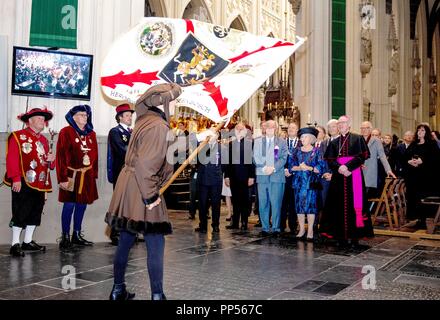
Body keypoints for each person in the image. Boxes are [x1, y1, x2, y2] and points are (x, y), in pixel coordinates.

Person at [106, 83, 216, 300]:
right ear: (163, 102)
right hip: (142, 186)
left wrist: (199, 137)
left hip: (129, 185)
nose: (176, 104)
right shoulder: (158, 126)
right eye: (174, 100)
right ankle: (157, 295)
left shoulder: (147, 121)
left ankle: (118, 290)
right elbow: (147, 164)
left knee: (126, 237)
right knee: (155, 240)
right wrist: (150, 197)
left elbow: (168, 146)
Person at [4, 108, 55, 257]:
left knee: (35, 212)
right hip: (23, 181)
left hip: (40, 182)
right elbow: (12, 158)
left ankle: (27, 241)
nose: (42, 121)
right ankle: (15, 243)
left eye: (43, 119)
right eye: (39, 118)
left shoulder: (44, 140)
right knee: (21, 211)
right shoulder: (17, 136)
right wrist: (15, 178)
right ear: (30, 120)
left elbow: (46, 163)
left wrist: (51, 161)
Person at [320, 116, 374, 248]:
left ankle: (354, 237)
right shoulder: (334, 142)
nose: (340, 125)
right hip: (338, 177)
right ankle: (340, 237)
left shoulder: (357, 138)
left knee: (353, 204)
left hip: (353, 174)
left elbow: (362, 156)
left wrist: (348, 167)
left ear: (349, 125)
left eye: (343, 123)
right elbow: (330, 159)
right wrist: (339, 168)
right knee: (337, 205)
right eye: (339, 123)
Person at [56, 105, 98, 250]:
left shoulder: (91, 134)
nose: (84, 117)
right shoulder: (66, 132)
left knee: (82, 205)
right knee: (69, 205)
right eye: (81, 115)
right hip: (71, 175)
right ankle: (65, 237)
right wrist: (62, 178)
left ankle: (77, 235)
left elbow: (95, 156)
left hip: (86, 177)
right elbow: (61, 156)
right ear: (73, 117)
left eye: (86, 115)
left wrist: (94, 175)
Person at [289, 127, 326, 241]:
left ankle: (310, 230)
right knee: (299, 207)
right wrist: (300, 168)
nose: (302, 139)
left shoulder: (317, 151)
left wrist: (309, 168)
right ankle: (301, 229)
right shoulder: (296, 151)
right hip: (298, 183)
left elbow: (320, 167)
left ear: (311, 138)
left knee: (311, 207)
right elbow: (291, 167)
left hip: (311, 184)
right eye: (301, 137)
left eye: (304, 137)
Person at [253, 120, 288, 236]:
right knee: (263, 203)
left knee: (276, 203)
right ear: (264, 128)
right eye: (267, 126)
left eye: (272, 127)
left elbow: (283, 158)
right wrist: (264, 168)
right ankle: (265, 227)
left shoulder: (282, 142)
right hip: (262, 177)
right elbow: (255, 157)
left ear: (276, 129)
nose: (269, 129)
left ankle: (276, 228)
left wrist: (273, 168)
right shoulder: (258, 142)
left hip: (276, 177)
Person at [107, 104, 134, 245]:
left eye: (131, 115)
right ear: (120, 117)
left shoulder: (132, 132)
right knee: (119, 202)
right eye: (127, 115)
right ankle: (115, 233)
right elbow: (121, 150)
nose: (130, 118)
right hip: (121, 172)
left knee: (130, 202)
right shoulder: (115, 132)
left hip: (132, 173)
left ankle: (129, 232)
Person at [404, 124, 440, 228]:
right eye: (418, 130)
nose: (420, 132)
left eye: (423, 130)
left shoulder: (432, 144)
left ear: (427, 132)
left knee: (423, 197)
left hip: (426, 177)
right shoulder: (414, 144)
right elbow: (405, 156)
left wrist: (422, 161)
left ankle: (426, 219)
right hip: (413, 176)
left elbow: (436, 159)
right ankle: (419, 219)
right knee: (414, 198)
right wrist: (409, 161)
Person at [225, 122, 255, 231]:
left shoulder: (250, 143)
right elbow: (227, 161)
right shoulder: (231, 144)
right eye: (237, 128)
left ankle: (244, 223)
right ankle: (235, 222)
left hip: (245, 176)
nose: (238, 130)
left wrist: (251, 176)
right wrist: (227, 176)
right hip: (233, 176)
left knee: (244, 201)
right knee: (235, 200)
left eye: (241, 128)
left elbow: (252, 161)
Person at [359, 122, 396, 199]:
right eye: (362, 128)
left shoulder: (376, 141)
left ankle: (366, 211)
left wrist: (388, 170)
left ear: (370, 129)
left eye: (366, 128)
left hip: (369, 171)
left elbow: (382, 156)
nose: (364, 130)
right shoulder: (357, 139)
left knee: (366, 195)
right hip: (358, 170)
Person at [281, 122, 300, 235]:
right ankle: (282, 225)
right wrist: (284, 169)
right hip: (283, 175)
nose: (291, 129)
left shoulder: (301, 143)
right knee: (283, 201)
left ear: (297, 130)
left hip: (296, 176)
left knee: (294, 201)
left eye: (293, 128)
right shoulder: (281, 142)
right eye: (289, 128)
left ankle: (293, 225)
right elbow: (276, 156)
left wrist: (292, 170)